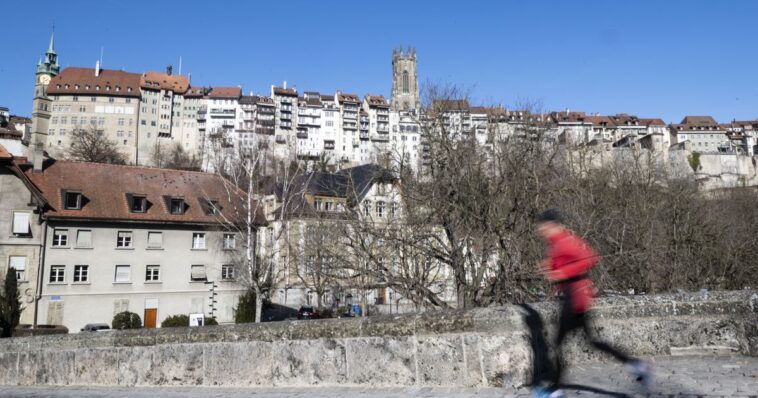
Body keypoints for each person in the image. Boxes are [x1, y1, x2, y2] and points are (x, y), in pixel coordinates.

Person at [533, 209, 651, 398]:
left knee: (557, 344)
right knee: (592, 341)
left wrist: (563, 273)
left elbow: (590, 258)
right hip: (574, 297)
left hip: (575, 298)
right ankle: (636, 364)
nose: (540, 230)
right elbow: (562, 262)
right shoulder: (556, 243)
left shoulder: (565, 241)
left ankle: (555, 390)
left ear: (551, 225)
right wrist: (549, 267)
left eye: (542, 226)